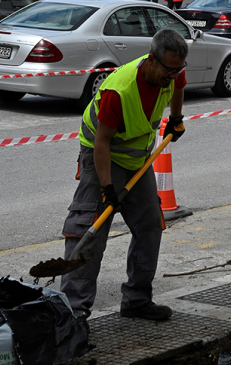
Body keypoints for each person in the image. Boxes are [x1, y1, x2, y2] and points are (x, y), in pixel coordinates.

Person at [60, 29, 189, 324]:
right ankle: (73, 315)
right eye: (169, 69)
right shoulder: (118, 92)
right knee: (90, 231)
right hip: (102, 158)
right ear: (151, 61)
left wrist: (176, 119)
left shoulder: (172, 72)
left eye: (178, 69)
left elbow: (179, 85)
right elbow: (101, 143)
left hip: (137, 160)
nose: (174, 75)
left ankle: (137, 300)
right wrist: (107, 189)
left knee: (150, 225)